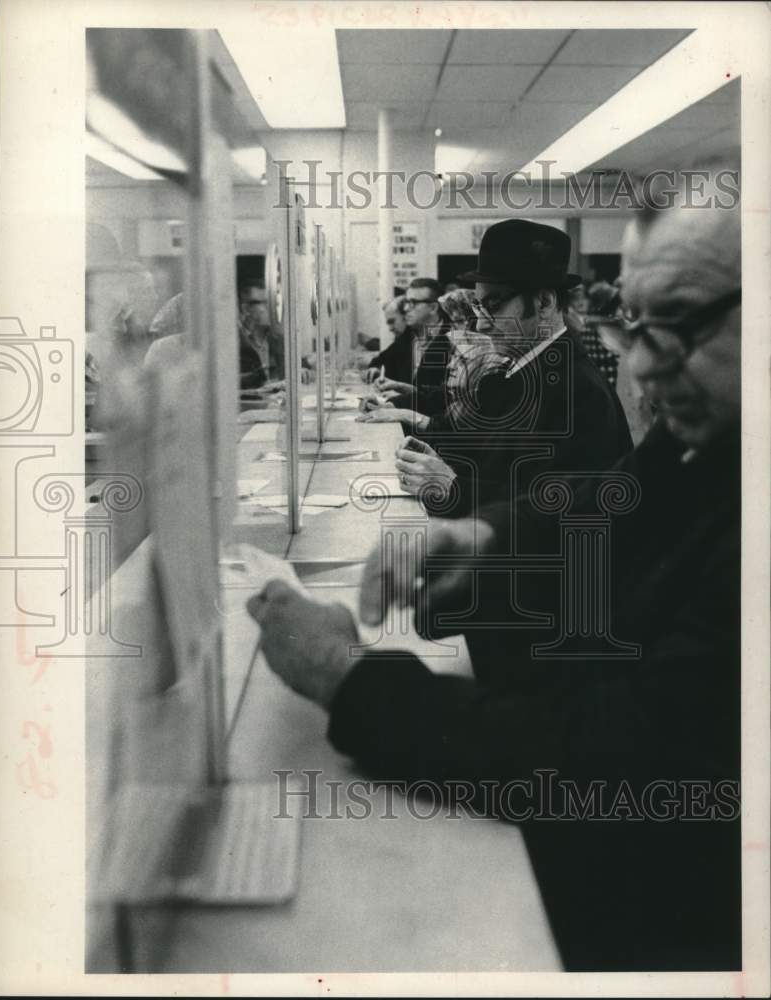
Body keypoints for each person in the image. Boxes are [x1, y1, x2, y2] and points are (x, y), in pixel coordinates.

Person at [249, 178, 742, 971]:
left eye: (676, 326)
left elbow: (616, 756)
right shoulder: (715, 440)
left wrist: (351, 680)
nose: (643, 371)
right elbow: (619, 497)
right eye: (636, 329)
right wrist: (482, 534)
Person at [363, 222, 632, 518]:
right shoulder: (519, 371)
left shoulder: (582, 392)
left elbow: (568, 506)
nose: (480, 324)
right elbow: (490, 455)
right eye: (479, 308)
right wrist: (437, 460)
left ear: (544, 301)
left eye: (494, 305)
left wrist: (453, 487)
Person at [359, 277, 453, 417]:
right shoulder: (411, 334)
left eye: (413, 303)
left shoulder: (451, 339)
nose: (406, 308)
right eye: (407, 302)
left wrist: (393, 400)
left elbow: (437, 399)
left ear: (433, 308)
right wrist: (378, 371)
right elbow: (384, 359)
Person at [238, 279, 284, 389]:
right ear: (246, 309)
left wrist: (299, 372)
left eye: (275, 303)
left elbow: (283, 372)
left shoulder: (276, 340)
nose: (274, 307)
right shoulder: (236, 344)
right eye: (266, 302)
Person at [365, 296, 417, 385]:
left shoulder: (411, 339)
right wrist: (376, 369)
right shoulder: (403, 340)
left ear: (406, 317)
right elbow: (382, 359)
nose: (390, 328)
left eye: (392, 321)